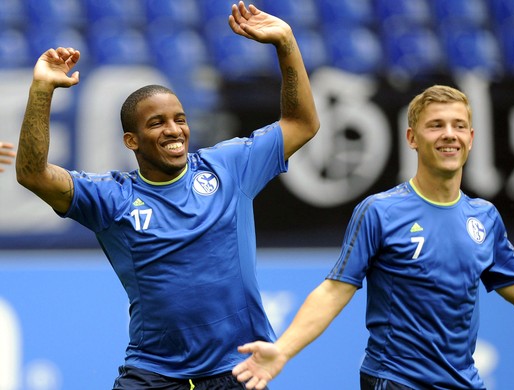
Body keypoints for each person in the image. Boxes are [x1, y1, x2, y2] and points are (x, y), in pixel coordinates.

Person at [15, 2, 319, 389]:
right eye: (156, 123)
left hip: (237, 370)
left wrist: (285, 43)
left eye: (180, 119)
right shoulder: (113, 198)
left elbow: (301, 123)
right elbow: (32, 174)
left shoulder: (229, 167)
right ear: (132, 140)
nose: (174, 130)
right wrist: (42, 89)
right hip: (153, 375)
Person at [231, 85, 514, 390]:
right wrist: (282, 350)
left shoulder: (484, 217)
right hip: (395, 380)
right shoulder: (379, 211)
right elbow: (334, 290)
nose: (449, 135)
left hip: (463, 380)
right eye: (436, 125)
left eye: (458, 125)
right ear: (412, 137)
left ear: (471, 136)